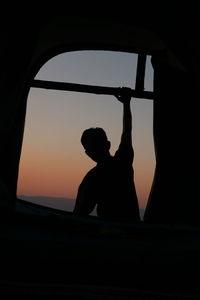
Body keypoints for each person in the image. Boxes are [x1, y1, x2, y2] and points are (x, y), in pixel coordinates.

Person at [73, 87, 141, 223]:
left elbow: (78, 215)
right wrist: (126, 104)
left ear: (88, 154)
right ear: (108, 144)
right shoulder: (123, 162)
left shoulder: (92, 178)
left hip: (110, 235)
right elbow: (127, 132)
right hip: (134, 230)